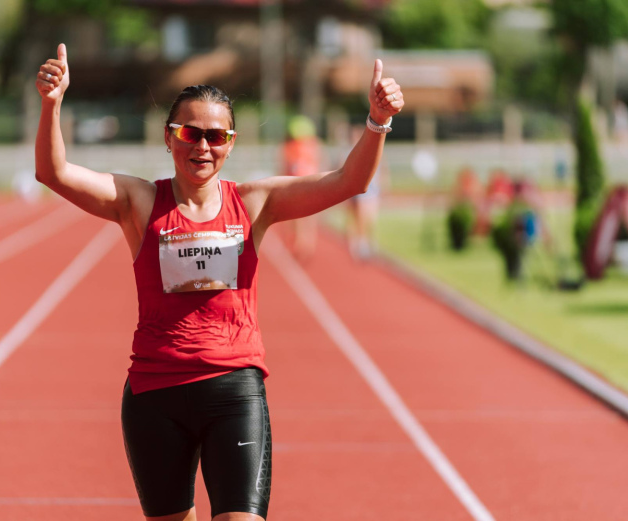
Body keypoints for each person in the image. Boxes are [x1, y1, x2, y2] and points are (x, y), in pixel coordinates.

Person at [35, 43, 404, 521]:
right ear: (169, 138)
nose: (202, 146)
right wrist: (52, 103)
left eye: (215, 135)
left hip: (233, 390)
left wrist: (377, 122)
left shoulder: (255, 203)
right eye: (189, 133)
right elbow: (53, 172)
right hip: (155, 394)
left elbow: (349, 181)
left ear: (230, 143)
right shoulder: (139, 201)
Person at [343, 124, 389, 260]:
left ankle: (368, 242)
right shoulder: (349, 151)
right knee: (359, 218)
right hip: (358, 190)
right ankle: (360, 244)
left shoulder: (376, 149)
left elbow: (384, 168)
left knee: (371, 218)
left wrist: (384, 185)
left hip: (373, 189)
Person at [281, 115, 322, 262]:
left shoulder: (292, 147)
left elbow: (285, 166)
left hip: (300, 185)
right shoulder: (313, 145)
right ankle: (305, 243)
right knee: (306, 217)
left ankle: (303, 243)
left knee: (300, 217)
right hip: (307, 185)